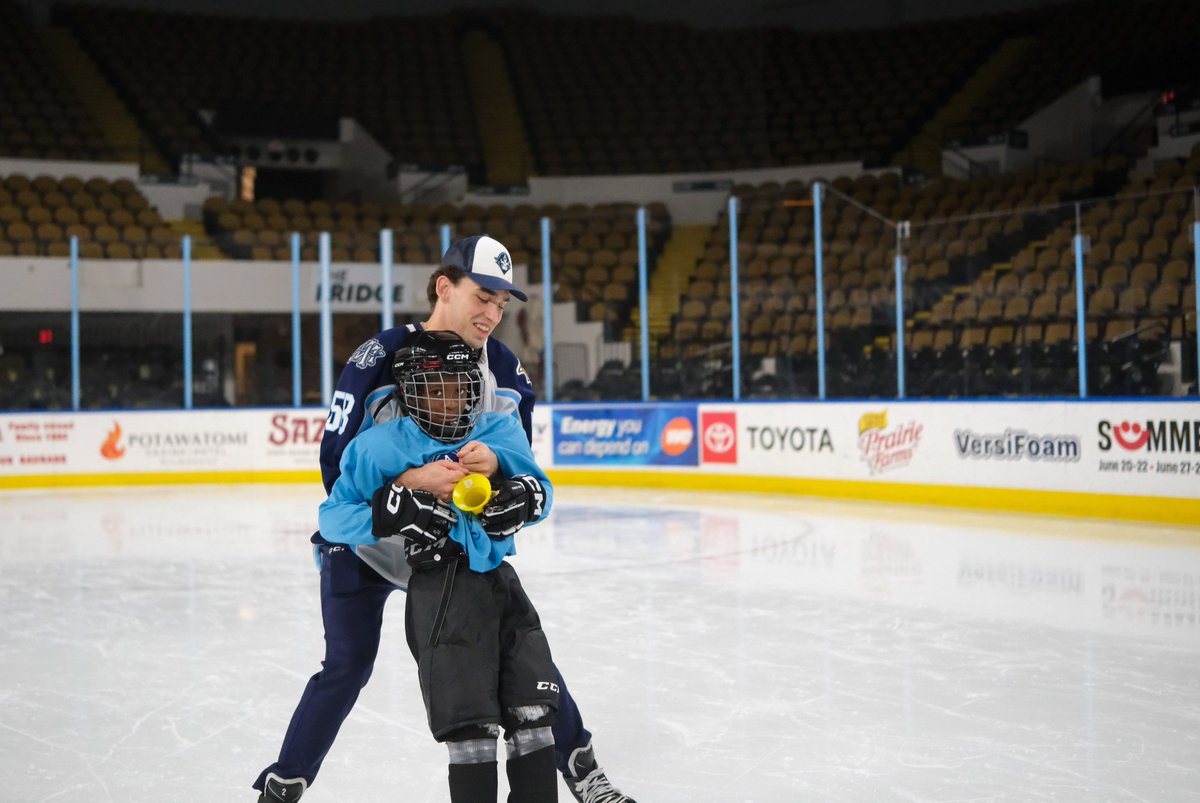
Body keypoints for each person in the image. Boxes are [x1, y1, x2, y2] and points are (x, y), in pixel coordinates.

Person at [254, 234, 636, 803]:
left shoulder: (506, 372)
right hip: (367, 545)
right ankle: (285, 783)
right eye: (483, 296)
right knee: (347, 666)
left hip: (451, 550)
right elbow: (338, 471)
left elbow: (519, 470)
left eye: (502, 304)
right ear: (444, 287)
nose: (492, 313)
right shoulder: (379, 356)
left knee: (520, 656)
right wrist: (406, 493)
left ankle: (581, 768)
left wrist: (512, 498)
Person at [321, 329, 559, 802]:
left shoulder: (499, 432)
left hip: (500, 586)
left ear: (475, 384)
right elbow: (332, 518)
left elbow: (542, 490)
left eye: (457, 387)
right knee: (467, 723)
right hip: (439, 595)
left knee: (534, 712)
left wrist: (525, 498)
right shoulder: (378, 447)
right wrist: (390, 510)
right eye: (432, 388)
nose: (447, 399)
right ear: (408, 392)